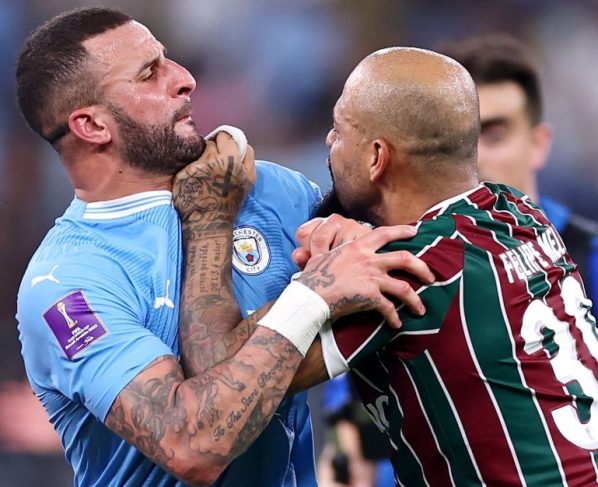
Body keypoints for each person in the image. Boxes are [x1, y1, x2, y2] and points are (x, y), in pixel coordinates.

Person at [14, 8, 433, 487]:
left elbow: (409, 272)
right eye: (149, 74)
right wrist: (314, 296)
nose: (185, 79)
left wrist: (353, 235)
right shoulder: (66, 284)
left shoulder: (270, 190)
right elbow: (192, 445)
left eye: (168, 59)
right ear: (92, 126)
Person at [271, 46, 598, 485]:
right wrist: (361, 237)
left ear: (376, 157)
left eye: (339, 129)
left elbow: (250, 378)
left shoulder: (410, 271)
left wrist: (312, 280)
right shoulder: (520, 212)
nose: (330, 141)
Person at [438, 34, 598, 312]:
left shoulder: (591, 260)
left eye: (494, 136)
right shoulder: (403, 270)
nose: (475, 158)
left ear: (539, 145)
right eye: (457, 140)